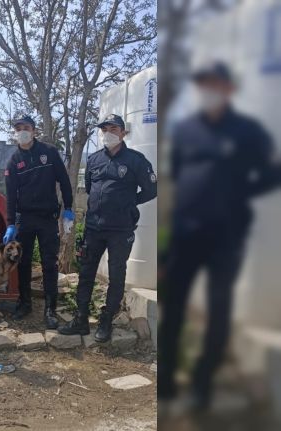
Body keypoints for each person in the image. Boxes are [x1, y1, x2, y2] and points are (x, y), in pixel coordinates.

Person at [159, 61, 279, 410]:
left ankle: (202, 385)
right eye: (203, 84)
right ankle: (165, 381)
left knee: (219, 309)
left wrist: (241, 193)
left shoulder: (248, 131)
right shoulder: (185, 130)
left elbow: (273, 172)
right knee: (174, 308)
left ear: (229, 89)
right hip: (185, 232)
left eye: (215, 84)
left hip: (227, 235)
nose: (208, 90)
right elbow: (178, 176)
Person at [58, 113, 157, 342]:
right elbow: (90, 188)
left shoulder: (136, 160)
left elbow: (152, 189)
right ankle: (81, 319)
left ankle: (106, 319)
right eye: (104, 130)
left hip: (121, 231)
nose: (108, 134)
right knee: (86, 273)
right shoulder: (94, 160)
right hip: (94, 228)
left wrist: (130, 203)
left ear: (123, 132)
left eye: (113, 129)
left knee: (116, 275)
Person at [2, 114, 74, 326]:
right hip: (25, 219)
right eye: (18, 128)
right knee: (22, 262)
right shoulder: (13, 161)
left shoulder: (49, 152)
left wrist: (69, 208)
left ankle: (50, 309)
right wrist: (10, 223)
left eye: (26, 127)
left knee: (49, 264)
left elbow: (64, 180)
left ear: (34, 130)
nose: (22, 132)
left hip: (47, 218)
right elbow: (11, 195)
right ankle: (25, 303)